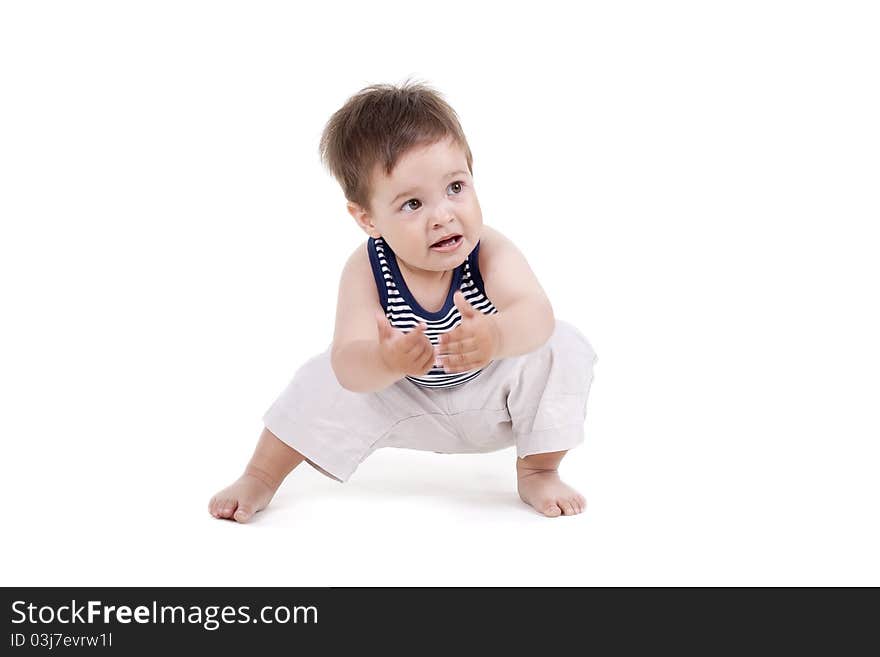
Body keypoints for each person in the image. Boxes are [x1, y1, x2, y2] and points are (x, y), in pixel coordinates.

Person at [208, 79, 598, 522]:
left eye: (456, 187)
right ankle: (260, 475)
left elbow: (535, 313)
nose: (443, 215)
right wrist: (386, 360)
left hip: (493, 397)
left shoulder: (490, 251)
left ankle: (539, 469)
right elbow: (350, 362)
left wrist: (496, 335)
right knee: (320, 377)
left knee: (563, 345)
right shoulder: (367, 269)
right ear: (367, 217)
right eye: (413, 204)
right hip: (407, 400)